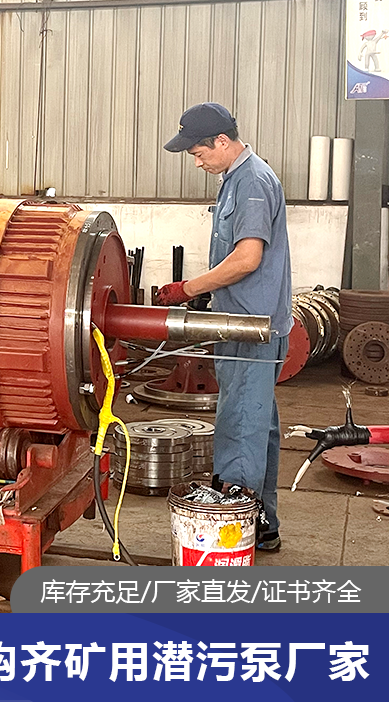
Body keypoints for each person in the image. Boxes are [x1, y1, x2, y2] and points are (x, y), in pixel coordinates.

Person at [155, 102, 292, 551]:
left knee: (240, 425)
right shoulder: (236, 179)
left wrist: (188, 288)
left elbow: (247, 258)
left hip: (251, 328)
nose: (197, 163)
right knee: (258, 424)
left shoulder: (252, 182)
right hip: (240, 322)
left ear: (221, 141)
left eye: (199, 153)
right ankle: (263, 524)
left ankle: (232, 534)